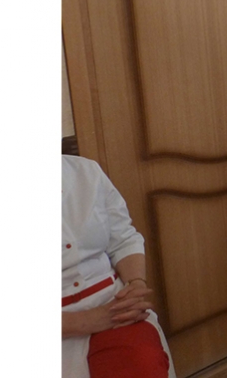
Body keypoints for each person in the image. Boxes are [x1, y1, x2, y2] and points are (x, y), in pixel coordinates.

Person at [62, 155, 175, 377]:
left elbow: (123, 238)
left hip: (113, 307)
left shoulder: (87, 172)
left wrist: (135, 285)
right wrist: (86, 321)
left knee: (143, 363)